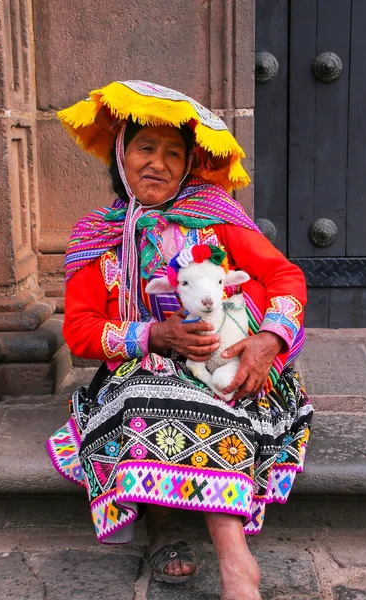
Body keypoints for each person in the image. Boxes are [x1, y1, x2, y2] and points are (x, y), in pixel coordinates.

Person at [48, 80, 313, 600]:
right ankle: (171, 532)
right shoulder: (97, 236)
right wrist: (153, 335)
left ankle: (232, 561)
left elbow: (287, 279)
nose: (159, 164)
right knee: (155, 394)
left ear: (188, 164)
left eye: (174, 154)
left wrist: (267, 341)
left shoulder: (217, 218)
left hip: (230, 356)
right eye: (146, 148)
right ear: (121, 155)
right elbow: (80, 331)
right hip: (140, 367)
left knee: (217, 392)